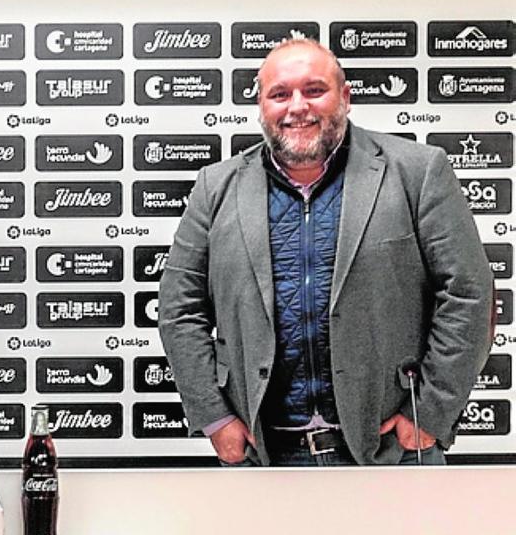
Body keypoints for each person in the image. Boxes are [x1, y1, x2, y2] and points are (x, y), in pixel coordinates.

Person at [158, 38, 493, 466]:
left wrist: (429, 413)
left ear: (345, 97)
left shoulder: (418, 172)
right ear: (261, 106)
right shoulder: (215, 187)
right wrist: (214, 417)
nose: (298, 106)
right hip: (263, 454)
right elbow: (179, 308)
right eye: (280, 94)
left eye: (314, 90)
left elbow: (469, 293)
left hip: (392, 451)